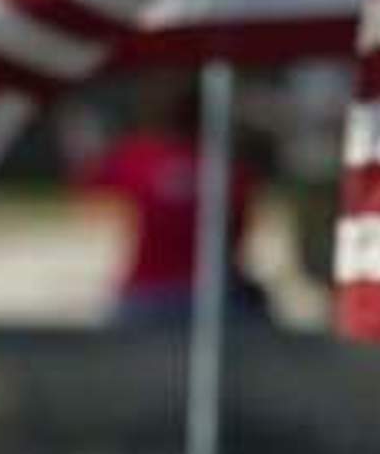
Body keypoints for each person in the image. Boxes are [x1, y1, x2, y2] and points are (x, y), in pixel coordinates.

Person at [61, 75, 268, 326]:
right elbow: (239, 233)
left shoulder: (139, 156)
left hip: (147, 290)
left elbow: (87, 184)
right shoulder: (227, 166)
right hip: (205, 291)